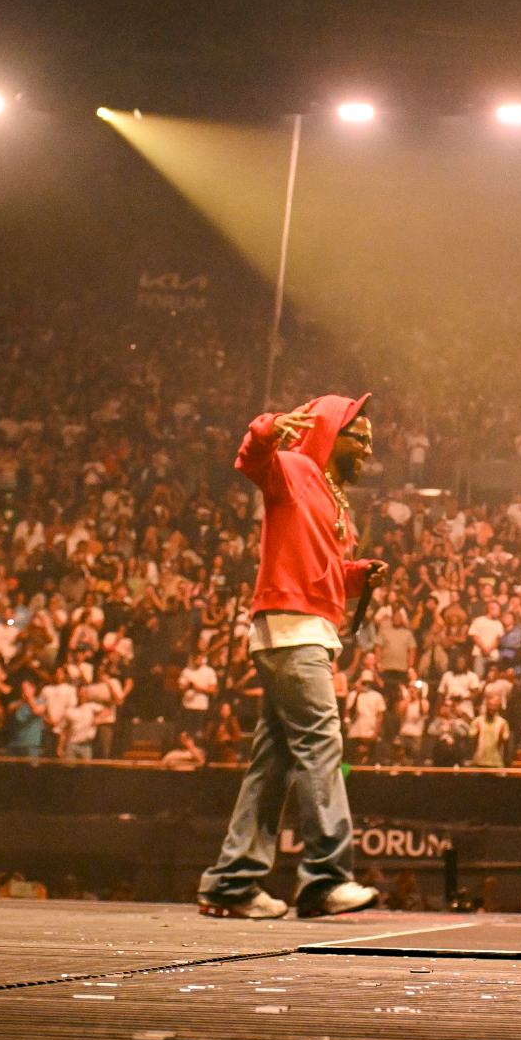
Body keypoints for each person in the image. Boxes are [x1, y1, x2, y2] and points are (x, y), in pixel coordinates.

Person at [198, 393, 386, 920]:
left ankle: (232, 883)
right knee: (323, 746)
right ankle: (325, 879)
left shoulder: (329, 493)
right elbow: (252, 459)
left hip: (305, 629)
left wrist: (357, 573)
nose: (368, 449)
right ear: (330, 431)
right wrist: (272, 426)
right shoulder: (295, 467)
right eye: (361, 437)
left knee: (273, 762)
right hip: (292, 631)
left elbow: (322, 570)